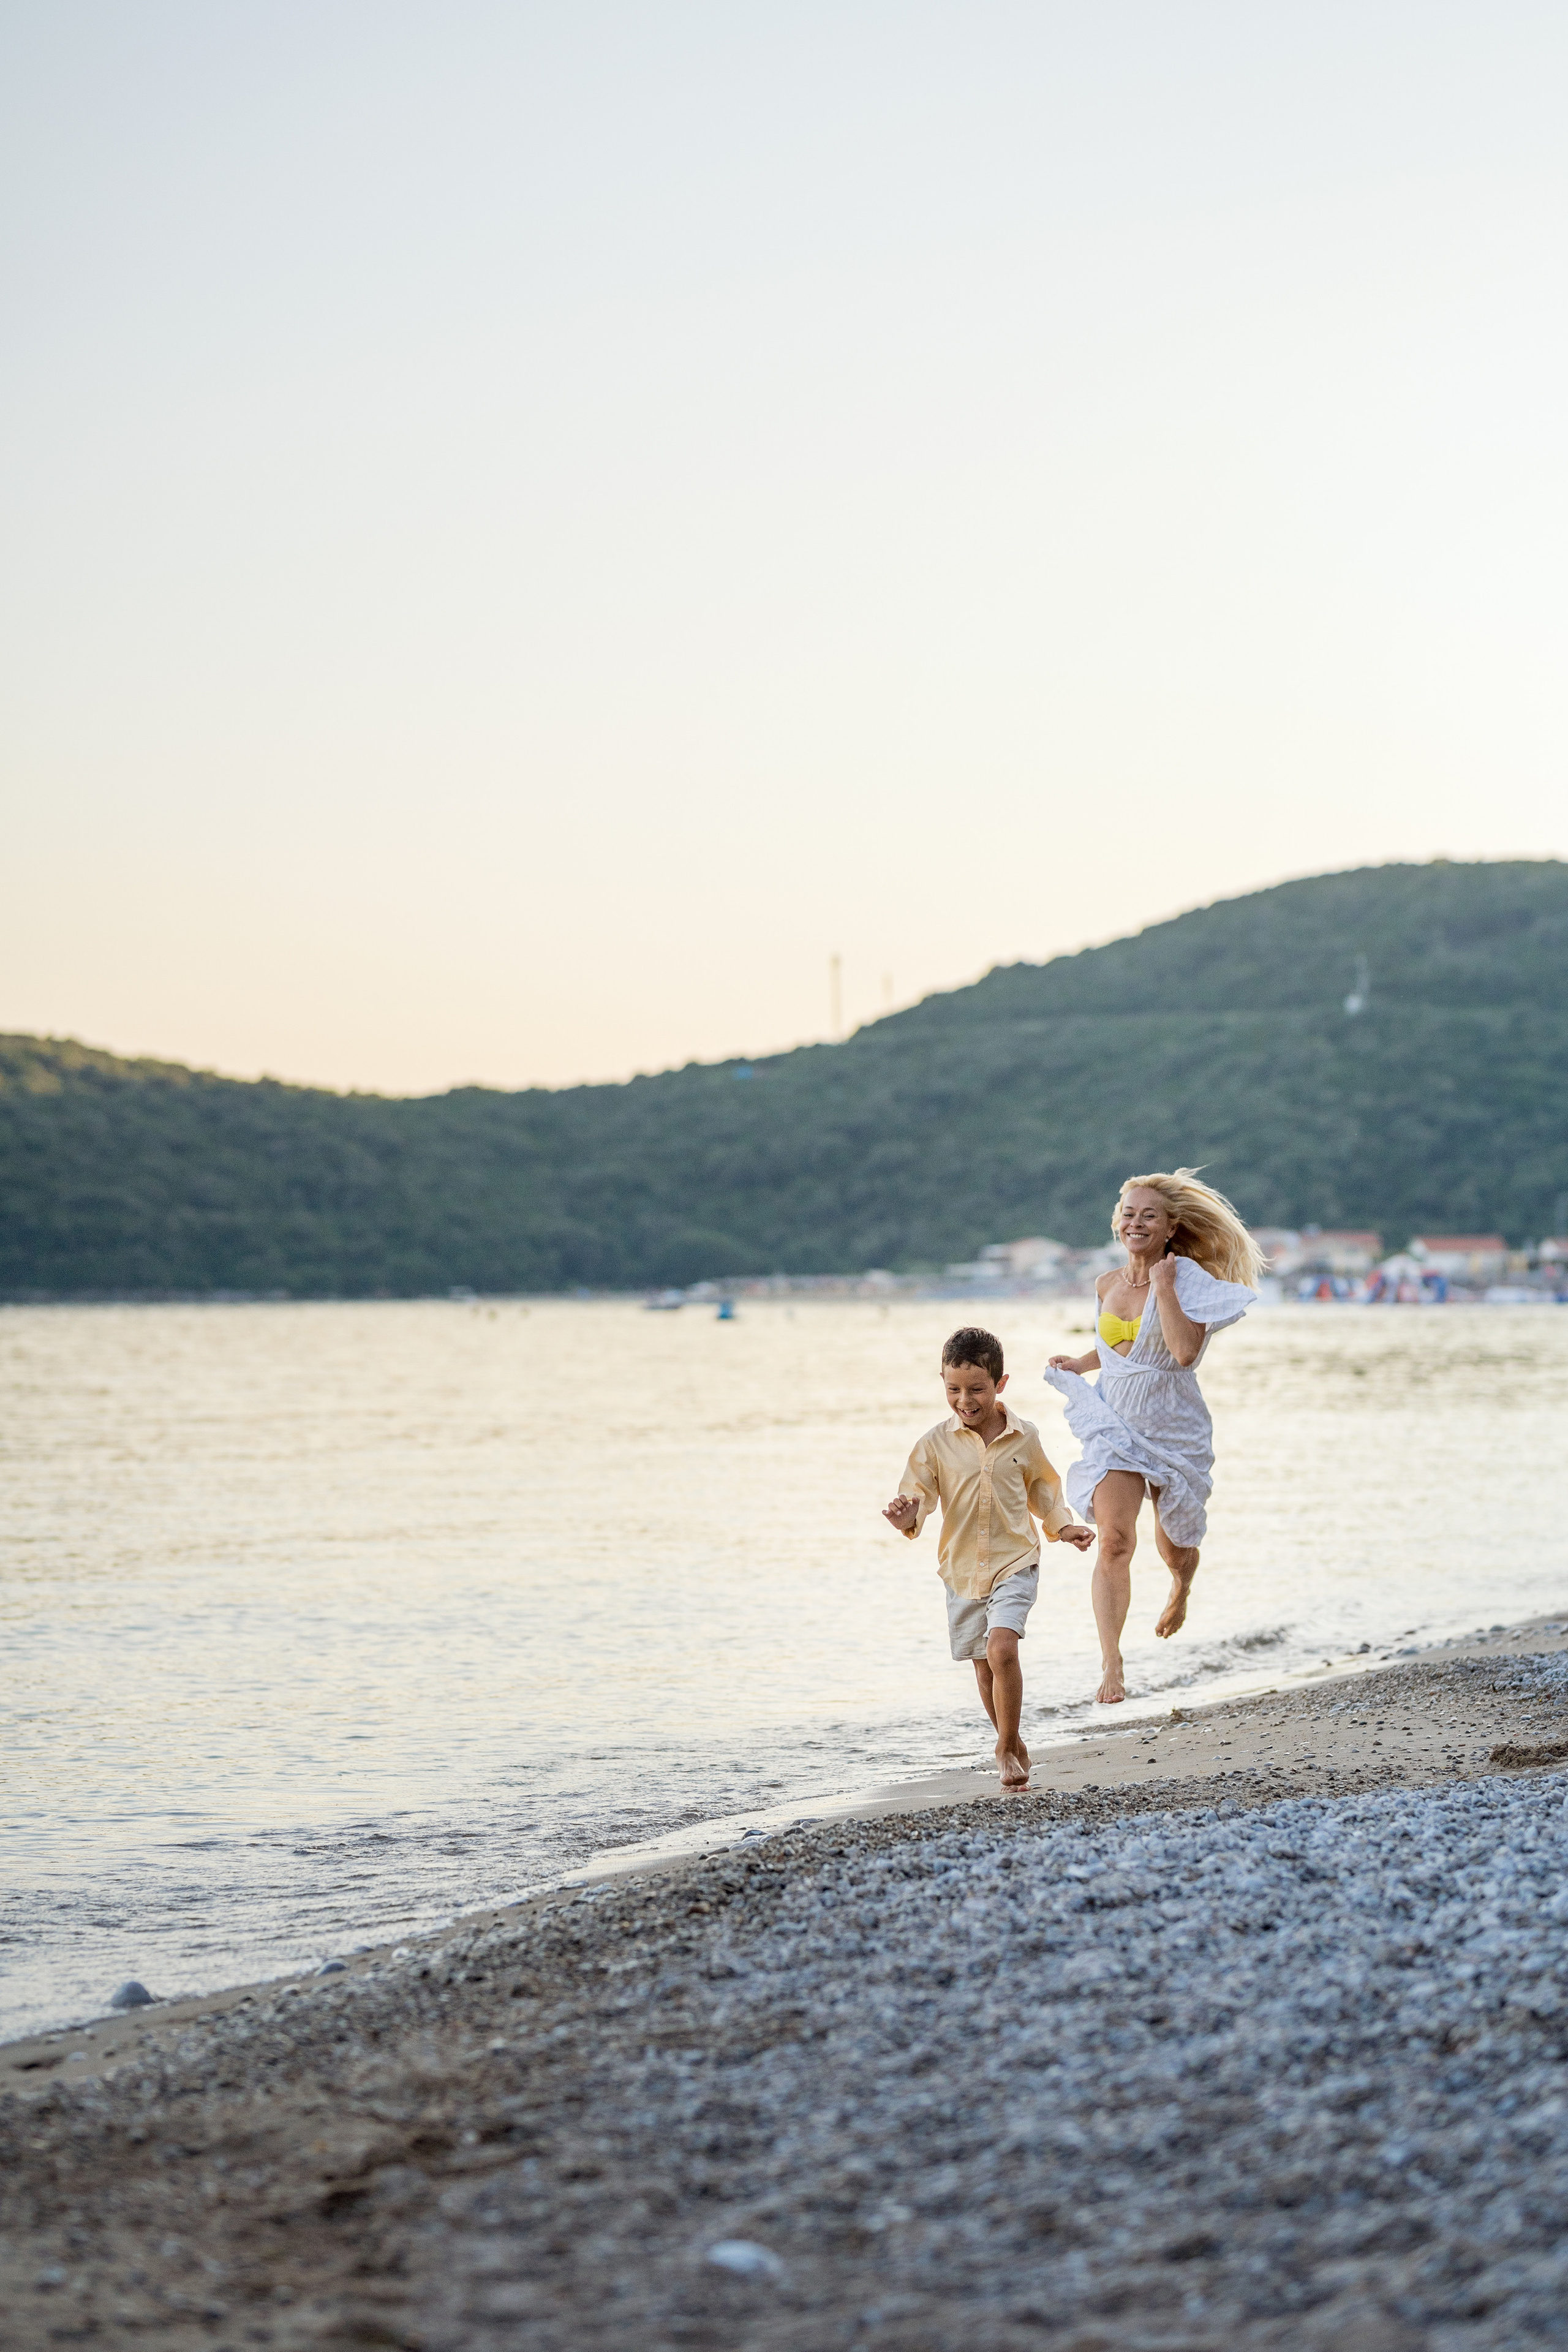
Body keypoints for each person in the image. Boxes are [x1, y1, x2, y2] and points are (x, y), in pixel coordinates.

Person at [1045, 1169, 1264, 1706]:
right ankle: (1112, 1663)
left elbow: (1182, 1352)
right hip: (1116, 1425)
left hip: (1174, 1427)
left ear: (1170, 1228)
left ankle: (1181, 1587)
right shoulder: (1105, 1285)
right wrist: (1082, 1361)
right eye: (1128, 1214)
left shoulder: (1188, 1281)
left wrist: (1165, 1287)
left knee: (1176, 1543)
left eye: (1148, 1215)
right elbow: (1125, 1350)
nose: (1135, 1222)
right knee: (1116, 1541)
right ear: (1117, 1224)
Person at [883, 1327, 1093, 1787]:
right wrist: (904, 1517)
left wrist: (1065, 1526)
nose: (964, 1399)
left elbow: (1044, 1491)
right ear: (942, 1381)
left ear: (1001, 1384)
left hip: (1015, 1559)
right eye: (953, 1389)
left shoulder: (1024, 1436)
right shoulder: (934, 1444)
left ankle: (1002, 1748)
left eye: (976, 1388)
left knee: (1002, 1649)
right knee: (983, 1665)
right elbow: (916, 1498)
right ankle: (1012, 1741)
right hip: (961, 1571)